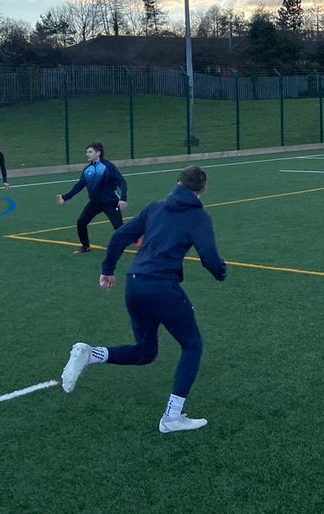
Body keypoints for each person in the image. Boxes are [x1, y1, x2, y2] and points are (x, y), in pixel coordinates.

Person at [60, 165, 227, 434]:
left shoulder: (155, 208)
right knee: (192, 344)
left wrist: (108, 269)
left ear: (177, 182)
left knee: (146, 351)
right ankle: (172, 417)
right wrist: (221, 272)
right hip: (162, 288)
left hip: (135, 283)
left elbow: (120, 236)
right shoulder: (199, 217)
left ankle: (91, 354)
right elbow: (209, 258)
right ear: (202, 190)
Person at [58, 142, 128, 255]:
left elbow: (121, 181)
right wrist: (65, 197)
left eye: (90, 152)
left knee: (119, 227)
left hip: (110, 202)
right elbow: (79, 185)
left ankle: (136, 238)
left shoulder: (108, 166)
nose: (87, 154)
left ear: (98, 153)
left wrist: (123, 198)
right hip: (95, 203)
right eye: (87, 152)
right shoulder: (87, 170)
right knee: (81, 222)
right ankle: (85, 247)